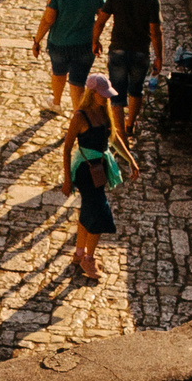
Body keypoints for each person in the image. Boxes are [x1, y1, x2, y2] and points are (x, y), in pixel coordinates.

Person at [58, 72, 131, 282]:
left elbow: (114, 138)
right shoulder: (80, 116)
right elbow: (67, 147)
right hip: (84, 171)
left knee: (88, 211)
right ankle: (88, 259)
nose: (106, 98)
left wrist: (130, 160)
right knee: (99, 215)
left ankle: (79, 253)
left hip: (99, 169)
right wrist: (67, 179)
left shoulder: (104, 111)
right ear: (92, 93)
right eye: (102, 94)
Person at [95, 0, 164, 134]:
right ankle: (130, 124)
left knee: (116, 90)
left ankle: (118, 128)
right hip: (140, 51)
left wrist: (94, 40)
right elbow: (155, 31)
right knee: (136, 89)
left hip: (118, 49)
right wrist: (159, 56)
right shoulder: (151, 0)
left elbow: (101, 20)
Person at [31, 0, 107, 112]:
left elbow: (48, 19)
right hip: (85, 44)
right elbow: (102, 17)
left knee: (58, 73)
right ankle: (77, 116)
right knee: (77, 82)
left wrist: (37, 41)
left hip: (58, 43)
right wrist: (96, 38)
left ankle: (56, 103)